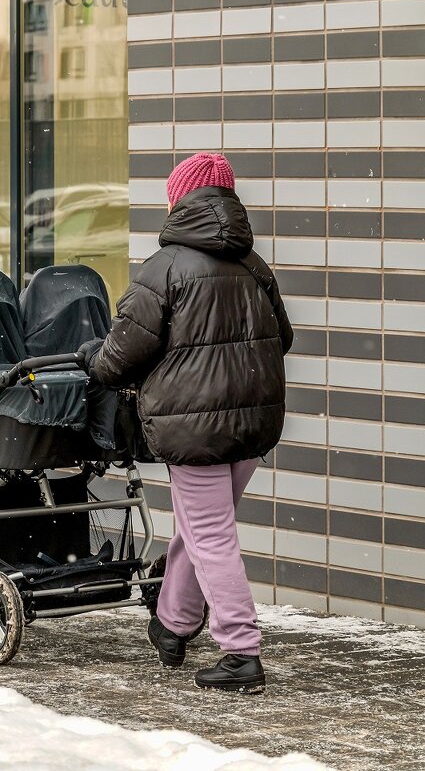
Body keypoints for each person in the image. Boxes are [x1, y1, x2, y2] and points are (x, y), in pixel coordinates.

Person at [80, 153, 293, 694]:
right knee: (202, 528)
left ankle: (240, 652)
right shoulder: (255, 266)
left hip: (193, 427)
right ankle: (173, 624)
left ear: (181, 200)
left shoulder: (166, 267)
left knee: (210, 534)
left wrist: (91, 358)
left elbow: (117, 359)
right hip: (253, 424)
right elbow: (283, 339)